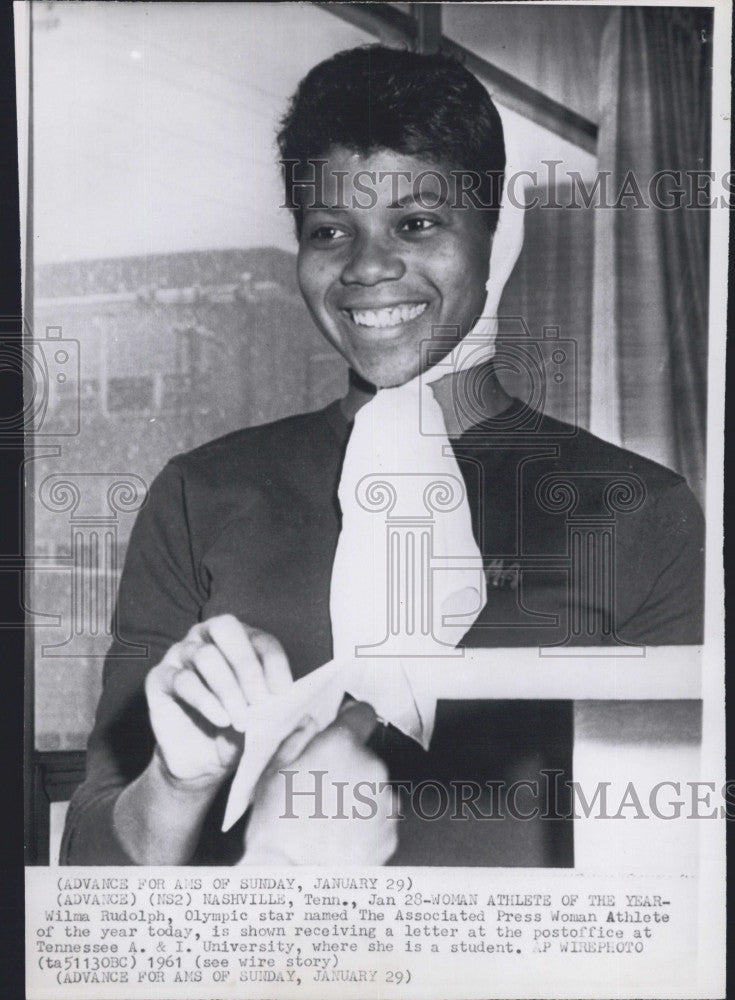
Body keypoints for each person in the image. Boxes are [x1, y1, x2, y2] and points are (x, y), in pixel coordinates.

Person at [61, 45, 704, 867]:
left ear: (493, 233)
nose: (367, 266)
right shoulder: (203, 493)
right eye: (330, 230)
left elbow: (679, 879)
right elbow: (86, 864)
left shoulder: (640, 513)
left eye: (417, 222)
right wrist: (182, 782)